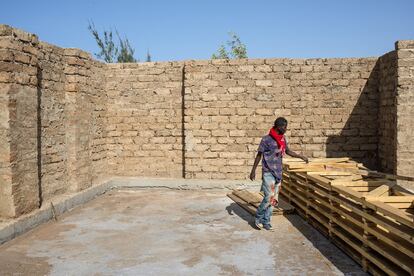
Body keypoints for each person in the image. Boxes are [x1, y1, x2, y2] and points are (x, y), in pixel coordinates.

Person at [249, 117, 308, 231]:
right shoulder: (266, 139)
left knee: (274, 199)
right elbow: (259, 155)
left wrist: (301, 156)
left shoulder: (282, 139)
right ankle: (258, 218)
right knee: (268, 197)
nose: (286, 129)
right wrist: (253, 171)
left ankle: (267, 221)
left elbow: (288, 151)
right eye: (285, 127)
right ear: (278, 126)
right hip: (268, 172)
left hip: (278, 173)